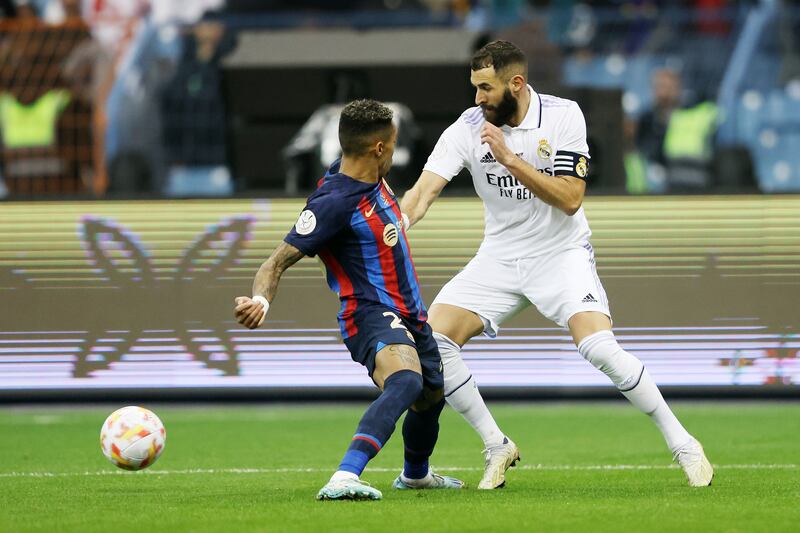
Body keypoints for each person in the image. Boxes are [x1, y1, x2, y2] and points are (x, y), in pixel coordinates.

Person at [400, 40, 714, 489]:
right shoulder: (468, 128)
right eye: (474, 88)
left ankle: (684, 444)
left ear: (517, 83)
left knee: (600, 349)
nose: (477, 99)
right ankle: (496, 444)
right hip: (500, 258)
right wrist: (399, 223)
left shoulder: (565, 116)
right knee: (432, 342)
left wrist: (509, 159)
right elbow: (423, 191)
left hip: (560, 253)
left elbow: (570, 198)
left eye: (486, 88)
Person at [234, 99, 463, 501]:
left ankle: (415, 475)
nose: (393, 153)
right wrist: (261, 301)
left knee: (431, 395)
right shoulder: (334, 202)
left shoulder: (374, 179)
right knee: (405, 381)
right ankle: (344, 475)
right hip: (368, 313)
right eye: (391, 146)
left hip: (411, 314)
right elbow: (274, 263)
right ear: (378, 148)